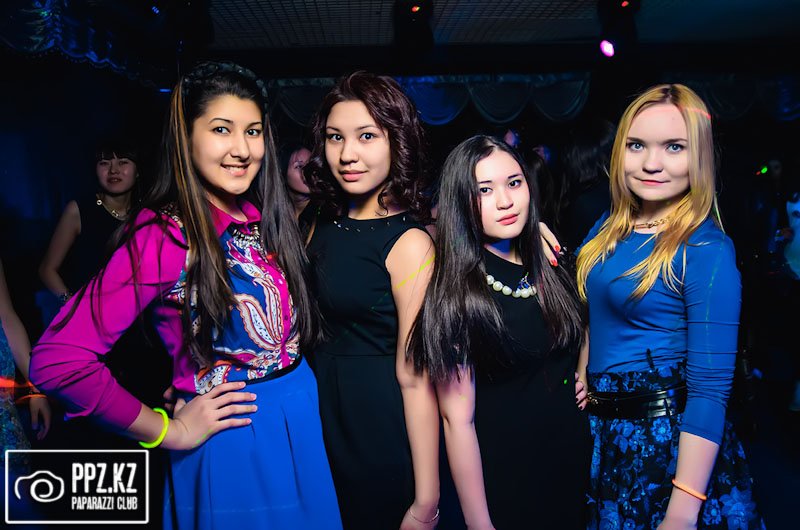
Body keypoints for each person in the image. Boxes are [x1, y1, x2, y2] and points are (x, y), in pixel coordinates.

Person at [30, 61, 342, 530]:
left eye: (253, 131)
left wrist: (185, 369)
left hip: (297, 421)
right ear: (186, 137)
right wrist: (167, 430)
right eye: (221, 129)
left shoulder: (258, 214)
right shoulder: (165, 234)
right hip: (237, 439)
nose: (242, 149)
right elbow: (58, 360)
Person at [575, 84, 764, 529]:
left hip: (665, 447)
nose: (651, 163)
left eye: (674, 147)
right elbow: (596, 307)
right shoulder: (609, 225)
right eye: (637, 145)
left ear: (699, 157)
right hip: (608, 435)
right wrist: (585, 363)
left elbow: (709, 392)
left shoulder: (706, 249)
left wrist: (682, 510)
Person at [409, 135, 589, 529]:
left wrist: (583, 373)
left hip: (573, 465)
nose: (505, 201)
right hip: (510, 477)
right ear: (460, 201)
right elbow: (458, 422)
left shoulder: (552, 262)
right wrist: (480, 523)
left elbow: (583, 321)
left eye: (514, 182)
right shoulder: (457, 293)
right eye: (484, 190)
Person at [303, 71, 442, 529]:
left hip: (374, 427)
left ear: (396, 141)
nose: (348, 154)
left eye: (367, 136)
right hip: (316, 415)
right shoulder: (317, 220)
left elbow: (416, 378)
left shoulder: (410, 243)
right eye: (335, 137)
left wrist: (426, 501)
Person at [39, 140, 140, 307]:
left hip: (136, 315)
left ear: (137, 171)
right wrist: (73, 306)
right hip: (92, 315)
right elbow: (47, 270)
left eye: (123, 162)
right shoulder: (79, 210)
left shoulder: (146, 215)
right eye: (104, 163)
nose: (113, 170)